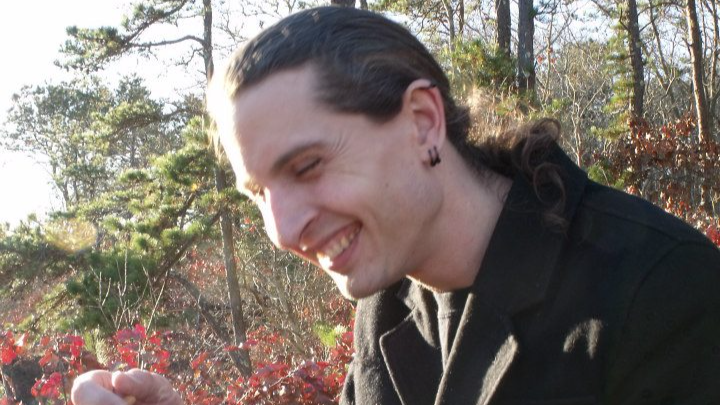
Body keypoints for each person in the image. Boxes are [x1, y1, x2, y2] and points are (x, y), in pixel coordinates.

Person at [72, 6, 720, 405]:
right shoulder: (386, 305)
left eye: (307, 166)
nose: (285, 228)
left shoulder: (662, 290)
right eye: (260, 192)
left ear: (422, 122)